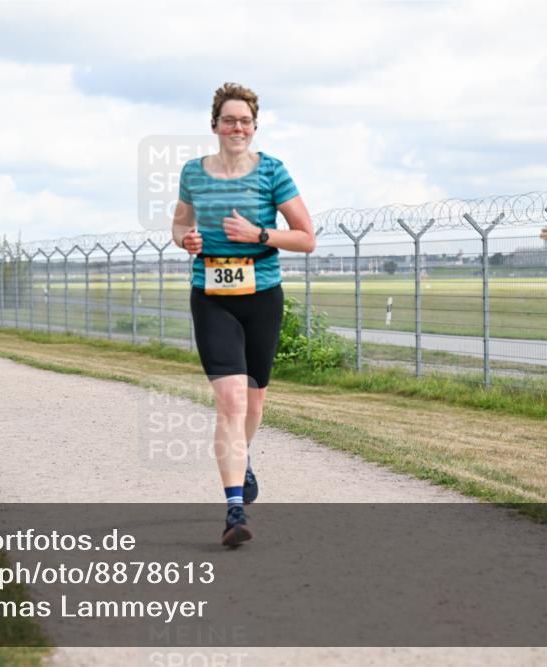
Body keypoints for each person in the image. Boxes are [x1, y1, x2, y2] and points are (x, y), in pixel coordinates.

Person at [172, 83, 315, 547]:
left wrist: (259, 233)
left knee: (253, 402)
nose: (237, 127)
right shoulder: (193, 172)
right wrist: (186, 239)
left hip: (262, 294)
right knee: (231, 401)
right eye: (229, 120)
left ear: (254, 127)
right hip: (211, 294)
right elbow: (179, 223)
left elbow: (306, 237)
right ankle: (234, 509)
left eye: (245, 121)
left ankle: (242, 455)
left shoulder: (272, 171)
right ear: (214, 125)